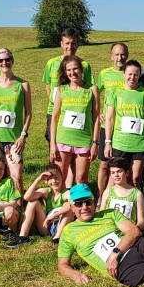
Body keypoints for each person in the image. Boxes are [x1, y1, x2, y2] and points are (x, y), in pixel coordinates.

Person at [0, 48, 32, 190]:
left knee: (16, 177)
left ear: (12, 61)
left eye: (7, 59)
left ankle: (19, 210)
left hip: (14, 140)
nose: (4, 63)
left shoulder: (23, 84)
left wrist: (23, 135)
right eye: (0, 60)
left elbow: (28, 113)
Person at [50, 56, 101, 188]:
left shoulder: (92, 89)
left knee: (81, 179)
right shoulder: (61, 89)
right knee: (59, 178)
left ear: (81, 69)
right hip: (63, 139)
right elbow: (54, 118)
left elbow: (96, 118)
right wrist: (52, 144)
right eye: (69, 70)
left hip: (83, 140)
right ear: (65, 72)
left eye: (75, 68)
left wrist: (95, 142)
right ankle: (59, 207)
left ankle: (78, 207)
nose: (73, 73)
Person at [104, 59, 144, 186]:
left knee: (135, 178)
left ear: (139, 76)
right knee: (116, 178)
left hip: (140, 143)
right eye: (129, 74)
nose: (132, 77)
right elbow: (110, 119)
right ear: (124, 74)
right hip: (120, 143)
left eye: (136, 74)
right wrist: (107, 142)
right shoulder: (114, 93)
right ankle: (110, 203)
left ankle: (132, 205)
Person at [43, 29, 93, 143]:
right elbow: (47, 84)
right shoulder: (51, 63)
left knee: (75, 145)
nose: (70, 46)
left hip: (76, 110)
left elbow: (89, 87)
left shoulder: (85, 65)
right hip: (54, 111)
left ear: (77, 45)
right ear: (61, 44)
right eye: (67, 43)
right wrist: (55, 103)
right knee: (53, 144)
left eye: (73, 43)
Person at [95, 42, 129, 195]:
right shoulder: (104, 74)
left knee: (121, 165)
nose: (119, 57)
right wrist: (97, 112)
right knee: (104, 165)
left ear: (127, 55)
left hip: (124, 128)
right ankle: (101, 197)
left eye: (122, 54)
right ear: (111, 56)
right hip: (106, 127)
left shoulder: (131, 73)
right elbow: (94, 94)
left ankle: (120, 196)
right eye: (116, 54)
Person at [22, 164, 73, 243]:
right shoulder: (46, 192)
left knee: (69, 206)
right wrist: (38, 179)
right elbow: (27, 197)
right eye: (50, 179)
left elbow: (73, 203)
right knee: (32, 202)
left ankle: (57, 238)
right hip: (46, 226)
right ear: (46, 181)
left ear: (62, 178)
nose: (54, 181)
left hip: (61, 225)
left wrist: (55, 215)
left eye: (56, 177)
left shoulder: (66, 193)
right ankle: (22, 237)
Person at [99, 157, 144, 228]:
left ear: (127, 173)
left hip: (128, 230)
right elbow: (101, 215)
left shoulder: (137, 194)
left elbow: (141, 220)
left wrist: (135, 230)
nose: (116, 175)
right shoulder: (107, 192)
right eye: (113, 172)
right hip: (109, 229)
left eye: (119, 171)